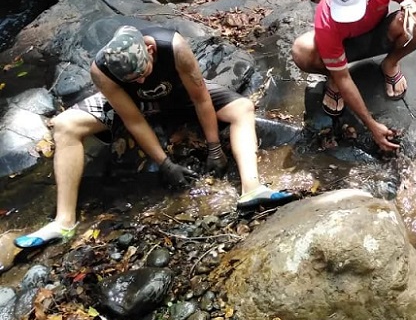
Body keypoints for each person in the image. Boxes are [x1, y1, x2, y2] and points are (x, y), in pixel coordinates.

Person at [15, 24, 279, 248]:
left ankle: (251, 188)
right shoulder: (102, 70)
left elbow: (200, 98)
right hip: (135, 106)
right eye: (132, 79)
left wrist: (214, 146)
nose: (140, 81)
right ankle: (63, 222)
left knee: (243, 108)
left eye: (142, 73)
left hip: (180, 95)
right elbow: (134, 121)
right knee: (64, 125)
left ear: (150, 50)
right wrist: (164, 163)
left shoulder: (174, 47)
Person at [291, 0, 416, 151]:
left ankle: (390, 63)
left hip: (378, 33)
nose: (351, 17)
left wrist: (411, 3)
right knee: (302, 50)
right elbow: (344, 78)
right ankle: (332, 76)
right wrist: (371, 125)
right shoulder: (326, 18)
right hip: (344, 46)